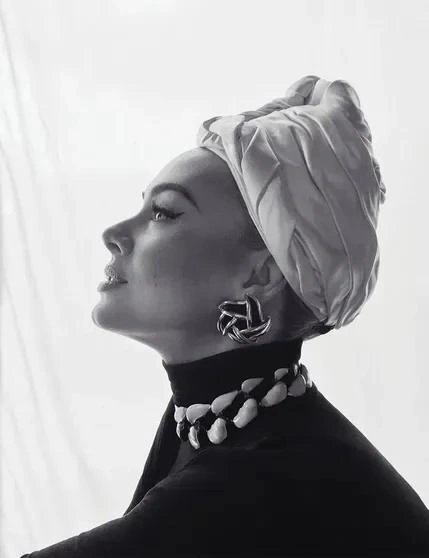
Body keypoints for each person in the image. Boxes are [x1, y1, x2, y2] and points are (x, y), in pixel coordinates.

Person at [20, 75, 429, 557]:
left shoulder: (260, 478)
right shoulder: (219, 419)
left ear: (261, 274)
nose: (113, 233)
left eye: (164, 212)